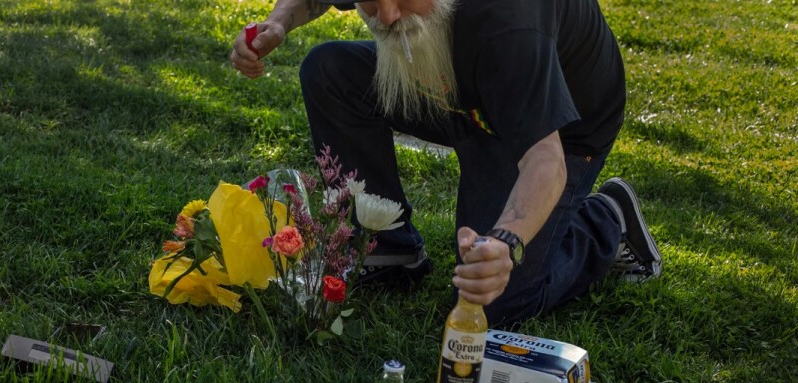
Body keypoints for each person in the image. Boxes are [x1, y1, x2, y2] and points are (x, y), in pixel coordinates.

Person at [230, 0, 662, 326]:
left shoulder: (509, 20)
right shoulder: (400, 10)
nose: (388, 16)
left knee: (494, 301)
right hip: (461, 92)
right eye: (370, 1)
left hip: (556, 130)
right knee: (330, 72)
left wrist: (506, 244)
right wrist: (278, 23)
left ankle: (608, 220)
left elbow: (544, 160)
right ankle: (387, 249)